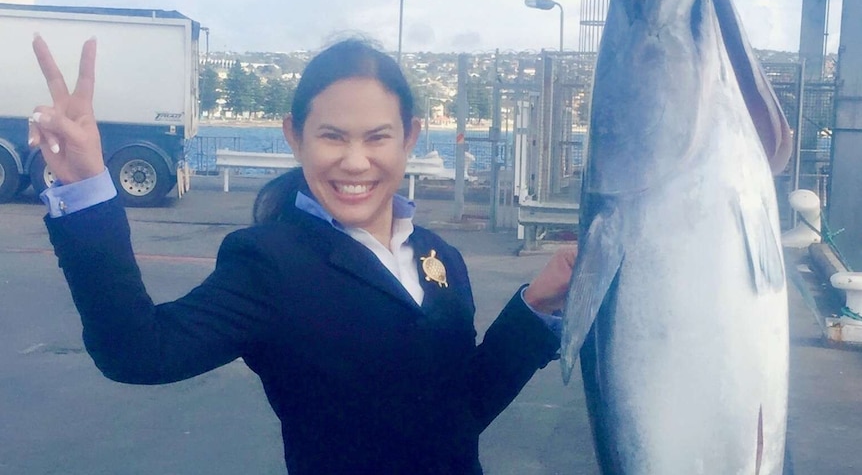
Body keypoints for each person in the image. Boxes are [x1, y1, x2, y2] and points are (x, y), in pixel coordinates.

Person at [28, 35, 577, 475]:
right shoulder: (269, 264)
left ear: (409, 138)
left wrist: (535, 305)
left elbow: (461, 412)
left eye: (377, 137)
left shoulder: (440, 258)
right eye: (333, 136)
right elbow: (137, 352)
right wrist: (86, 194)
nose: (356, 162)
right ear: (295, 137)